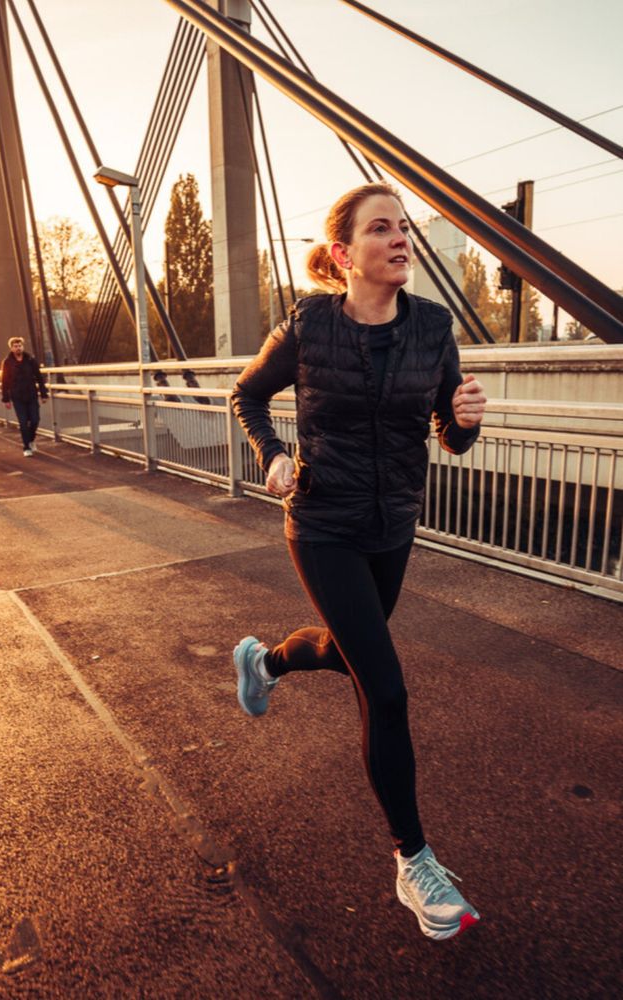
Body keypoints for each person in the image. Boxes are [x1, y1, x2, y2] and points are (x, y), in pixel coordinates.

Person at [230, 182, 487, 942]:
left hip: (392, 525)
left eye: (404, 227)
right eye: (383, 229)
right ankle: (415, 862)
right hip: (321, 524)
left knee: (348, 655)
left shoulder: (434, 328)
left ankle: (267, 662)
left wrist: (465, 424)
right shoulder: (309, 324)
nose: (401, 238)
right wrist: (272, 453)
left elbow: (447, 429)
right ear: (344, 255)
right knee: (386, 688)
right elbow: (247, 396)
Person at [0, 336, 47, 456]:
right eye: (15, 346)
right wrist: (6, 399)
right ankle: (26, 447)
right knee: (23, 422)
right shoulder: (7, 362)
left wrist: (43, 394)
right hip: (17, 397)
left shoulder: (30, 360)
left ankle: (31, 440)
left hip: (31, 395)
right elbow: (5, 381)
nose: (18, 348)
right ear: (11, 348)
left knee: (35, 420)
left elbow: (39, 377)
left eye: (20, 346)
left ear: (23, 346)